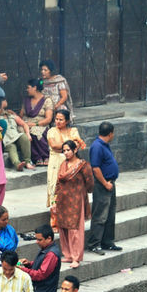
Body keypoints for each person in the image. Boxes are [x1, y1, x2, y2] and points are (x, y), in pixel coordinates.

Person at [54, 141, 93, 266]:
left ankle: (76, 257)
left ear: (75, 150)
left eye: (68, 150)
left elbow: (90, 183)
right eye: (64, 150)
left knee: (75, 229)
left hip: (76, 200)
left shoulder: (83, 165)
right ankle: (68, 255)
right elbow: (58, 183)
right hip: (63, 200)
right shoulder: (63, 164)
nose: (65, 153)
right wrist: (55, 200)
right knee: (63, 228)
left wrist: (81, 191)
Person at [18, 223, 61, 292]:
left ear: (49, 238)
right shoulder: (46, 249)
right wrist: (29, 264)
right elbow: (41, 265)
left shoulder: (51, 254)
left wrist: (22, 270)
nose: (37, 242)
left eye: (39, 239)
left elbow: (41, 274)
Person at [45, 109, 84, 226]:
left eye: (61, 119)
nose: (58, 121)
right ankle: (55, 222)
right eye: (56, 119)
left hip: (71, 164)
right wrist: (69, 145)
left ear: (67, 121)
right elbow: (54, 145)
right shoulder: (51, 131)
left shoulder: (73, 130)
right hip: (56, 164)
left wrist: (64, 146)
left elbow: (77, 144)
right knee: (55, 189)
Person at [87, 121, 120, 255]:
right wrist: (105, 183)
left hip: (110, 183)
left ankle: (107, 241)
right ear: (110, 133)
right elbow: (95, 168)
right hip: (102, 185)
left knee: (110, 214)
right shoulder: (97, 146)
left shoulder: (105, 145)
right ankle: (94, 243)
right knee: (100, 215)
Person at [20, 79, 53, 166]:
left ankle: (45, 156)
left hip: (41, 124)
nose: (27, 90)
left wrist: (35, 124)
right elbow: (21, 115)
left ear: (35, 88)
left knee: (35, 131)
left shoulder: (47, 100)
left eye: (28, 87)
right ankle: (36, 158)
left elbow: (48, 119)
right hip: (26, 123)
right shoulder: (26, 100)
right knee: (23, 132)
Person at [0, 99, 33, 171]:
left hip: (16, 136)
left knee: (24, 137)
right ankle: (18, 164)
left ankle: (28, 161)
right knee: (11, 147)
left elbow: (24, 124)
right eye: (4, 100)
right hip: (6, 141)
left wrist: (28, 134)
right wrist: (0, 105)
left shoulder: (11, 115)